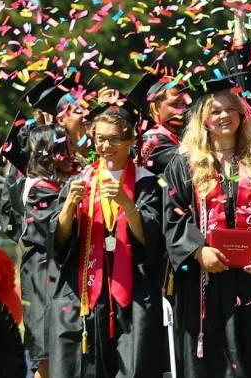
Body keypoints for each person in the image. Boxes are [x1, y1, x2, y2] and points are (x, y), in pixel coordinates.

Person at [161, 81, 251, 378]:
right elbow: (173, 217)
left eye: (230, 110)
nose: (224, 116)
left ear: (241, 115)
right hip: (206, 280)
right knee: (211, 360)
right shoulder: (183, 165)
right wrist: (198, 251)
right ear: (202, 119)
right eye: (215, 111)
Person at [48, 95, 163, 378]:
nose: (106, 146)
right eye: (100, 139)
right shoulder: (81, 180)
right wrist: (68, 207)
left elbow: (151, 240)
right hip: (89, 286)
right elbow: (59, 242)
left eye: (114, 139)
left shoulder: (147, 182)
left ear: (130, 140)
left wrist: (128, 205)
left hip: (134, 288)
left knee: (134, 365)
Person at [18, 125, 79, 378]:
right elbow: (56, 230)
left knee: (60, 356)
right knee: (47, 359)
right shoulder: (38, 188)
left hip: (54, 275)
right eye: (65, 148)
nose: (72, 153)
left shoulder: (53, 184)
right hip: (43, 276)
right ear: (49, 151)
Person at [137, 80, 189, 175]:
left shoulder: (176, 135)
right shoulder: (151, 140)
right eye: (175, 104)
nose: (183, 110)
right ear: (155, 108)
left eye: (184, 103)